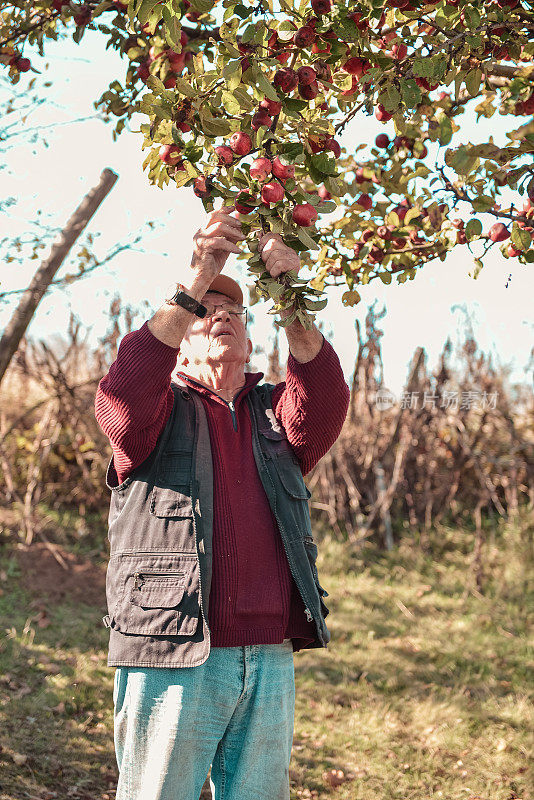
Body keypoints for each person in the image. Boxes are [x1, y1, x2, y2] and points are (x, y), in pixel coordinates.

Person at [94, 203, 350, 800]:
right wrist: (196, 280)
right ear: (180, 347)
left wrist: (287, 290)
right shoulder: (160, 411)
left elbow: (327, 396)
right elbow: (124, 393)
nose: (223, 317)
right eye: (208, 314)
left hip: (268, 658)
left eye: (235, 311)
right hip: (172, 652)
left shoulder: (274, 413)